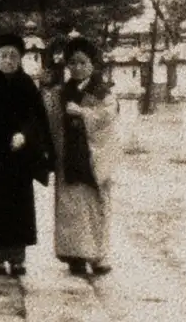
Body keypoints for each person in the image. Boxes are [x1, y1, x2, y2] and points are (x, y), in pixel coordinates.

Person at [0, 33, 56, 277]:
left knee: (18, 208)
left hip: (18, 160)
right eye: (3, 55)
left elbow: (37, 119)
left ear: (20, 59)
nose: (8, 60)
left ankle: (16, 258)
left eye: (13, 56)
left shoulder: (27, 86)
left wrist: (25, 135)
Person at [47, 36, 119, 276]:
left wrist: (84, 113)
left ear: (92, 64)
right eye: (72, 63)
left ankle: (98, 256)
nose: (77, 67)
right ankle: (74, 256)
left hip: (92, 157)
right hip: (68, 156)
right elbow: (49, 115)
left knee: (95, 206)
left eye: (82, 62)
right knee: (70, 208)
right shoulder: (61, 92)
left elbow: (108, 118)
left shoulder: (102, 92)